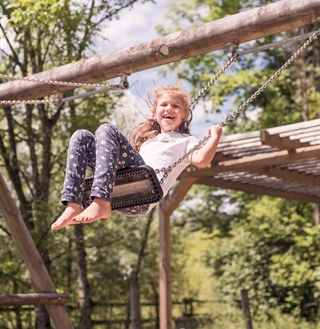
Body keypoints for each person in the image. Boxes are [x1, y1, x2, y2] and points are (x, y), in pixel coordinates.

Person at [51, 85, 222, 228]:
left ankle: (101, 202)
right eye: (164, 105)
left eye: (176, 106)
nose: (169, 108)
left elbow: (202, 160)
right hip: (122, 189)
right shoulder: (148, 141)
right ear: (155, 113)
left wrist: (214, 136)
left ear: (184, 115)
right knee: (81, 137)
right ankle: (73, 205)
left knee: (106, 129)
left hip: (144, 192)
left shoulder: (186, 140)